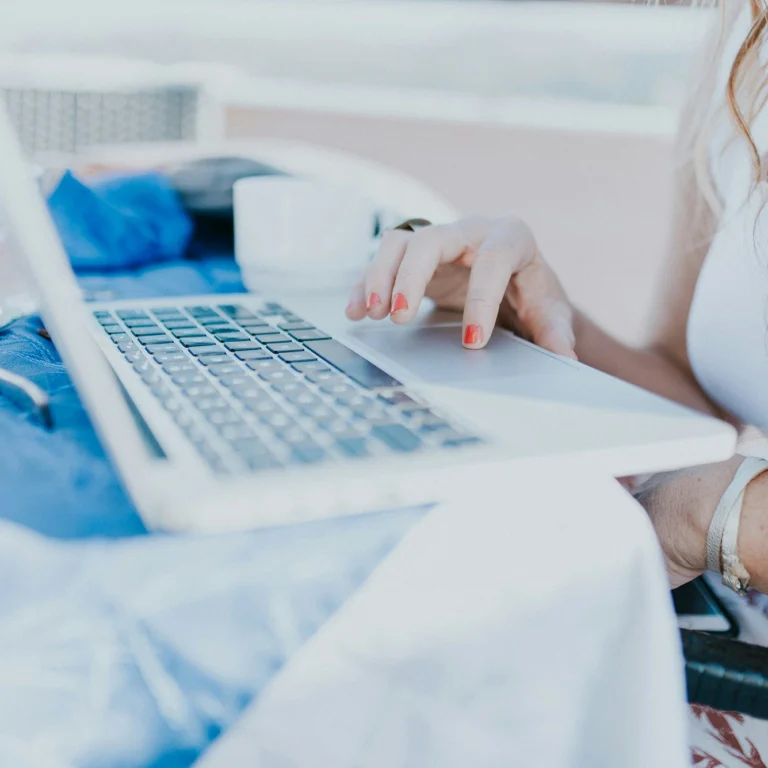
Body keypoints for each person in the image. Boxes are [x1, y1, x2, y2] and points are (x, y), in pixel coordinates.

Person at [346, 2, 768, 763]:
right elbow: (693, 400)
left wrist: (721, 513)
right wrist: (539, 319)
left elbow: (708, 487)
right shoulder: (746, 41)